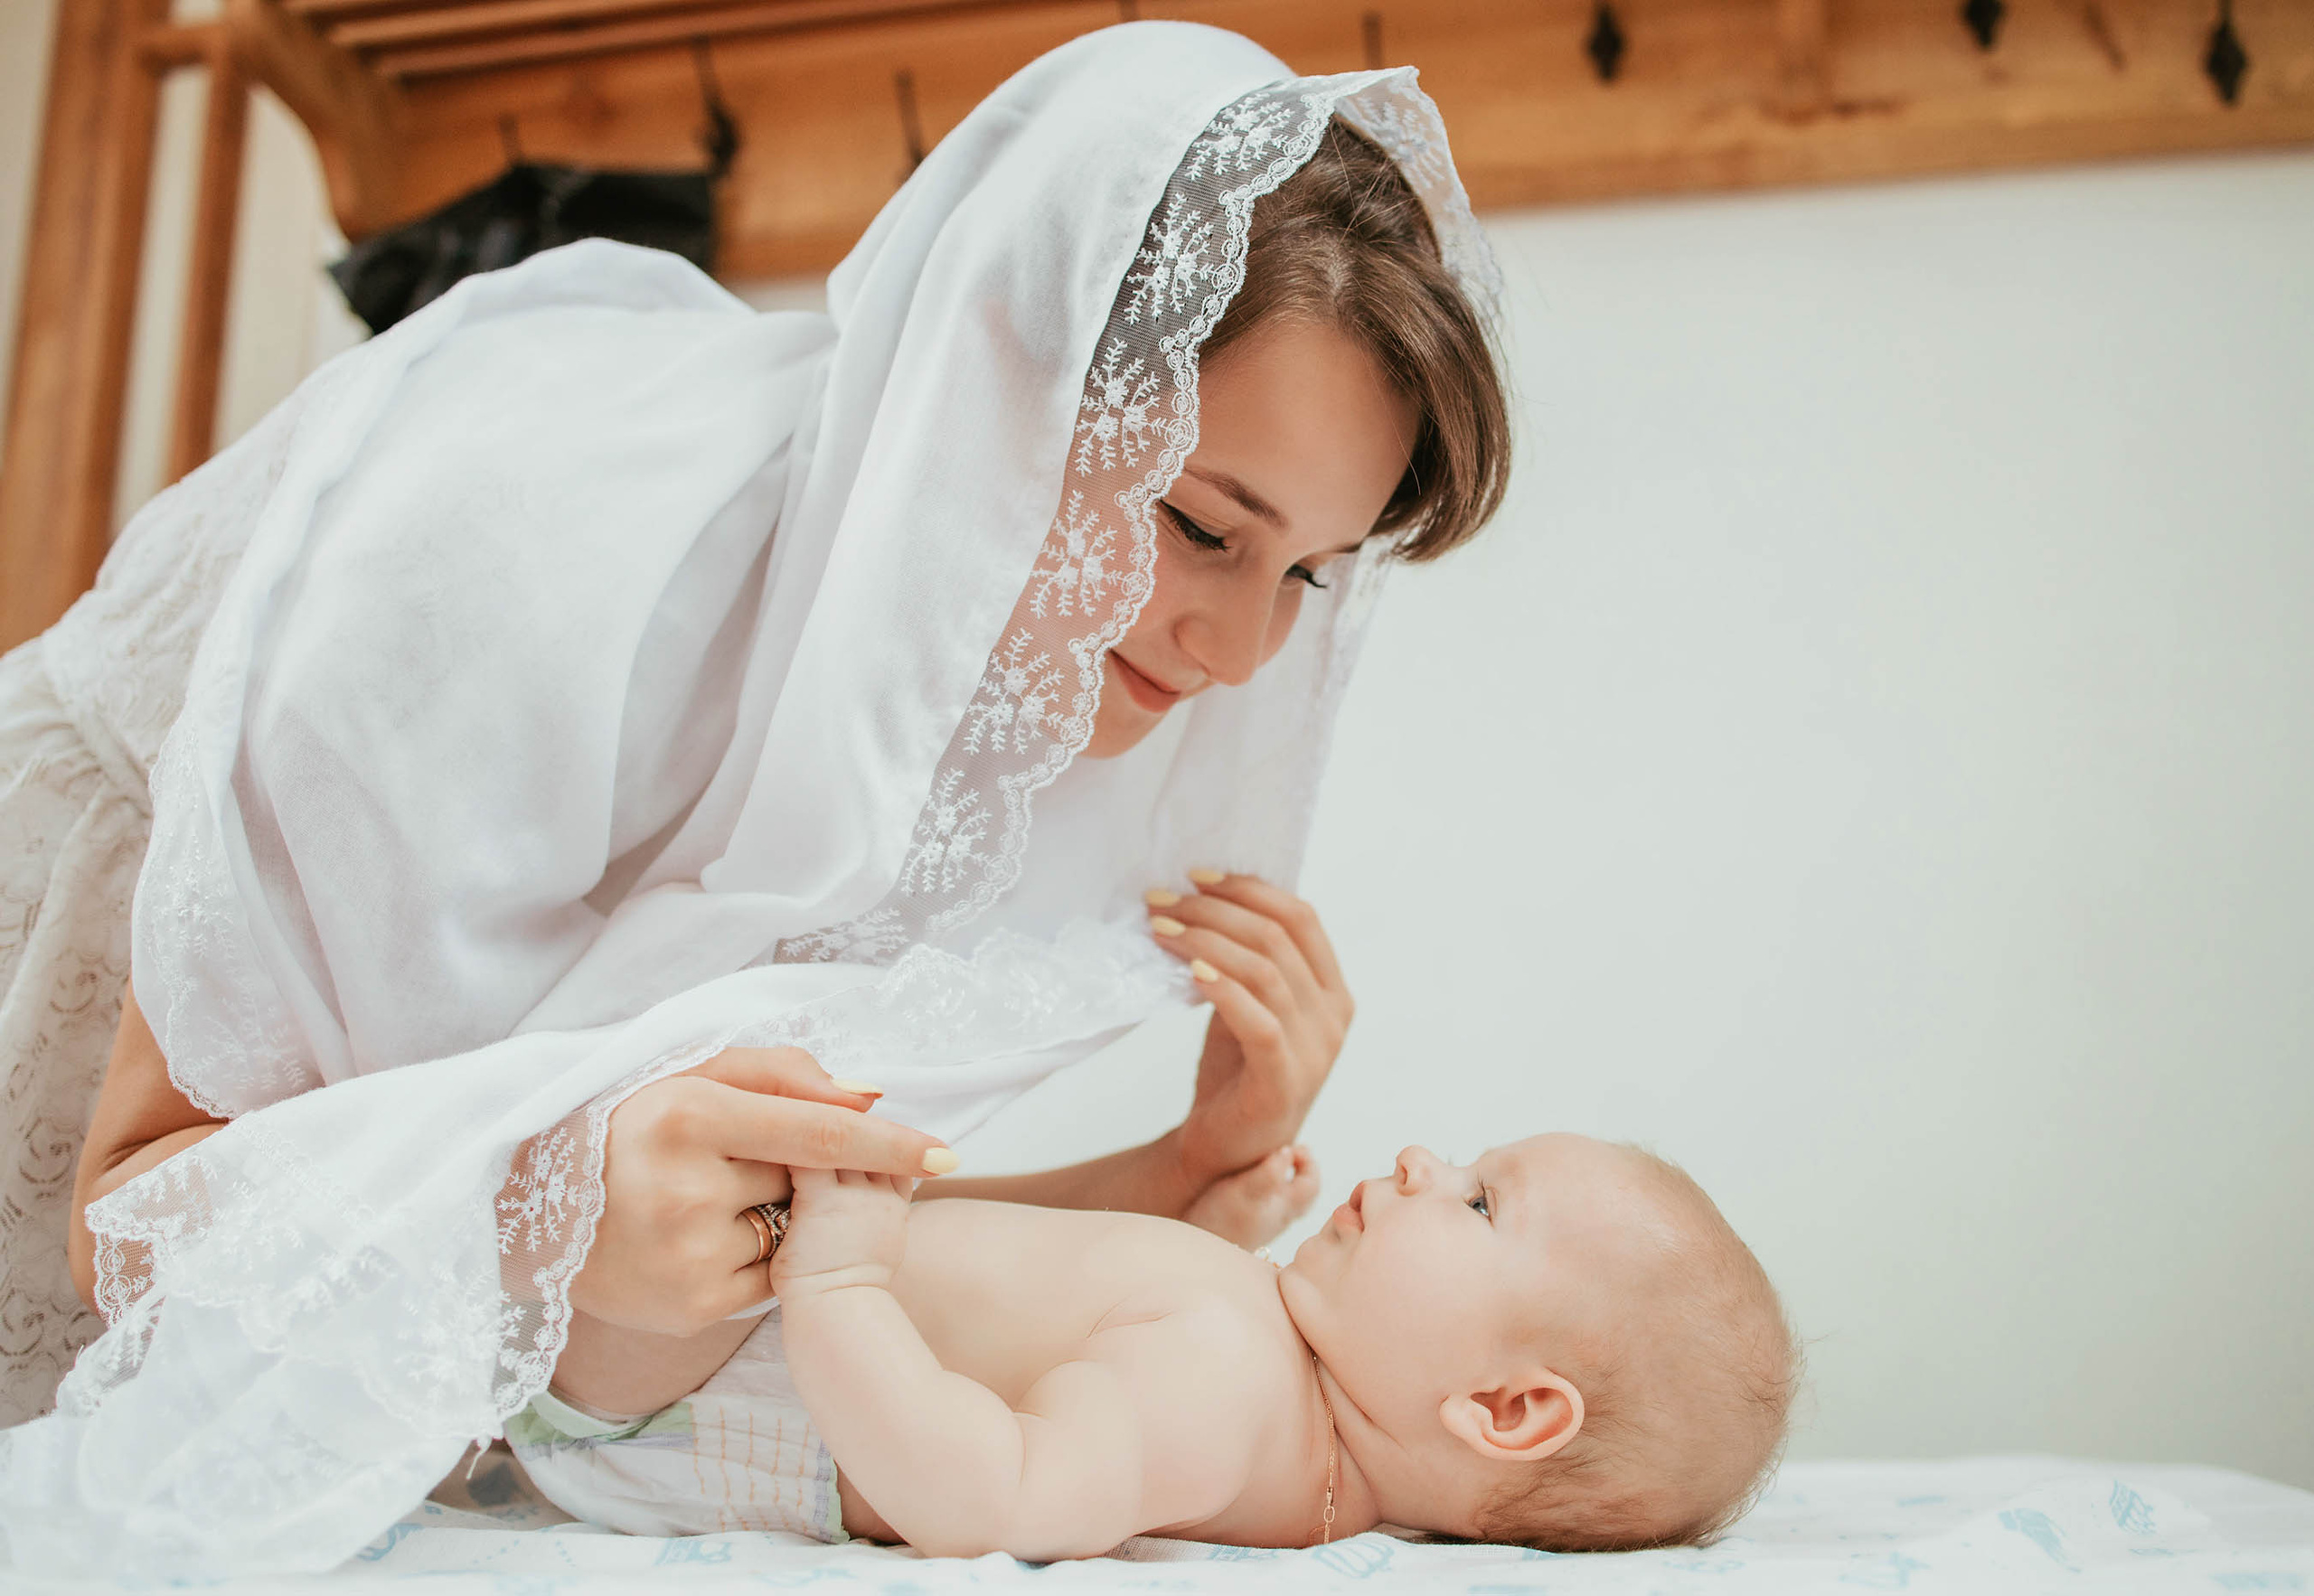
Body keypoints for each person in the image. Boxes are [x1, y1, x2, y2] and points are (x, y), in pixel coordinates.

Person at [0, 20, 1510, 1579]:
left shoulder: (978, 729)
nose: (1245, 651)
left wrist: (1180, 1166)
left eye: (1310, 572)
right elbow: (129, 1234)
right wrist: (545, 1223)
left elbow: (767, 1251)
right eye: (1202, 526)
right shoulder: (521, 543)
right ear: (1001, 366)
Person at [515, 1133, 1799, 1557]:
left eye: (1477, 1201)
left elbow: (994, 1493)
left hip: (679, 1384)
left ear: (1507, 1408)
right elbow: (1066, 1316)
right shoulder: (1264, 1368)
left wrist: (837, 1273)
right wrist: (1206, 1232)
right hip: (709, 1332)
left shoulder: (1226, 1392)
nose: (1420, 1160)